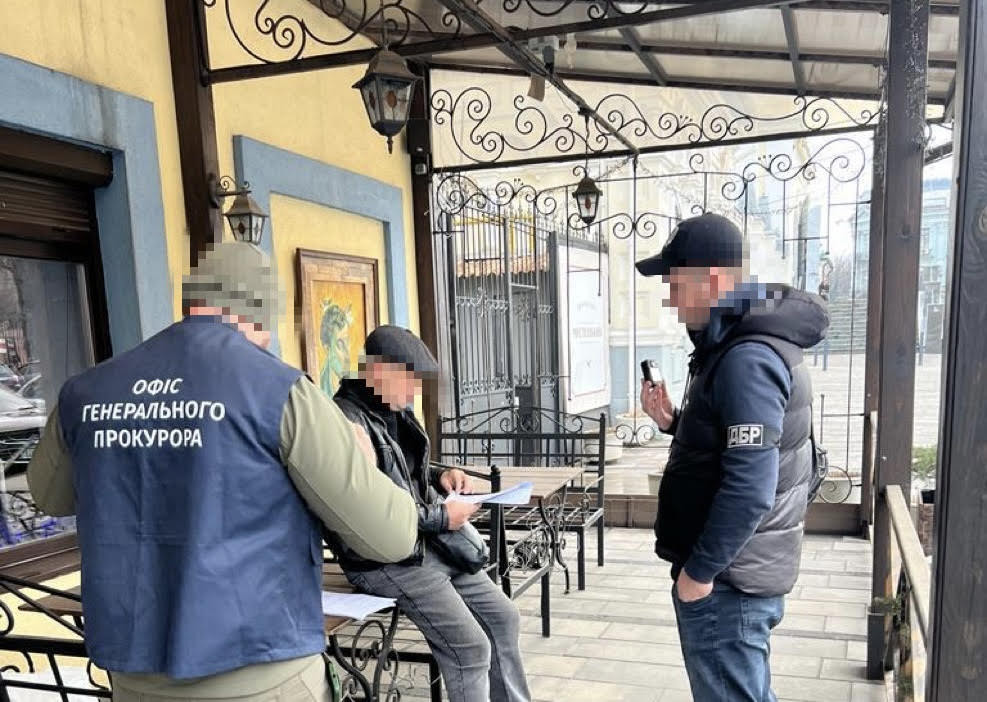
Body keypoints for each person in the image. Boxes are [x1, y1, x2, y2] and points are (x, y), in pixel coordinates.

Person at [27, 241, 420, 702]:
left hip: (136, 681)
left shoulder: (85, 392)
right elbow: (391, 536)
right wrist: (365, 459)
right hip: (264, 674)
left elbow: (48, 497)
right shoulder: (280, 391)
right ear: (261, 314)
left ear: (191, 301)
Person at [635, 213, 829, 702]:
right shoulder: (736, 343)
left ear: (715, 281)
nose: (671, 299)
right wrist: (675, 422)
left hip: (729, 579)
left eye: (676, 284)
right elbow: (741, 445)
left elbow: (750, 487)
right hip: (736, 571)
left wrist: (698, 574)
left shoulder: (747, 357)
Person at [328, 325, 531, 702]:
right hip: (384, 558)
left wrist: (440, 476)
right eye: (410, 380)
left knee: (504, 617)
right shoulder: (345, 422)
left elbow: (401, 473)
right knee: (470, 648)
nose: (414, 392)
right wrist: (443, 518)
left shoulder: (392, 410)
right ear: (377, 370)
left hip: (427, 543)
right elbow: (368, 508)